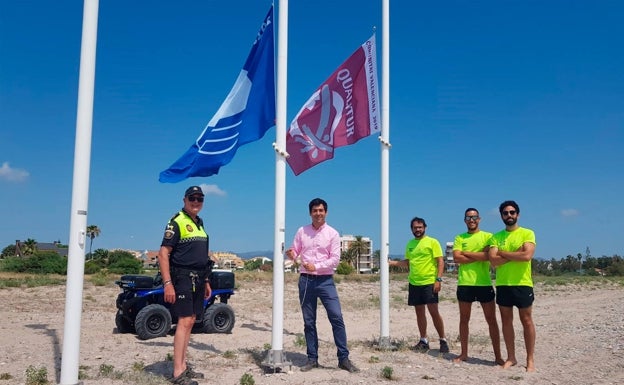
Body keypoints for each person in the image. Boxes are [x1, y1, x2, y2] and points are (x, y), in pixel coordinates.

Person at [285, 198, 359, 373]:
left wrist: (316, 266)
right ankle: (312, 359)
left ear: (326, 212)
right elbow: (295, 252)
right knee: (309, 322)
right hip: (306, 280)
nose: (318, 213)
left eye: (321, 210)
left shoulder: (332, 234)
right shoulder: (302, 231)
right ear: (310, 213)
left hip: (326, 281)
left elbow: (335, 259)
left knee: (336, 318)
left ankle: (343, 358)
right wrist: (291, 254)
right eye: (315, 210)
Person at [158, 186, 212, 385]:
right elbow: (164, 253)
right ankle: (178, 373)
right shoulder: (176, 222)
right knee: (183, 321)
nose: (196, 201)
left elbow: (202, 256)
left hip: (198, 278)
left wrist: (206, 280)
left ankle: (184, 366)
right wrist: (167, 284)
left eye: (200, 198)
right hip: (182, 278)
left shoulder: (199, 222)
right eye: (192, 198)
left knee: (191, 321)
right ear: (184, 199)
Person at [488, 200, 536, 372]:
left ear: (518, 214)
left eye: (512, 212)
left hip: (522, 284)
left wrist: (502, 253)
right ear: (501, 216)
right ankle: (511, 357)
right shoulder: (496, 237)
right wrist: (516, 252)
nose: (509, 215)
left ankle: (530, 360)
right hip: (503, 284)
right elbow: (493, 260)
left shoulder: (527, 233)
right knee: (506, 321)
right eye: (506, 213)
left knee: (527, 321)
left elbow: (527, 256)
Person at [389, 217, 449, 353]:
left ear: (425, 228)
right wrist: (392, 263)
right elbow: (408, 262)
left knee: (434, 312)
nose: (418, 230)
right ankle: (423, 340)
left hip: (429, 282)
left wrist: (438, 280)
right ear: (411, 229)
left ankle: (443, 340)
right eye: (415, 228)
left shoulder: (432, 242)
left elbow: (440, 261)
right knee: (419, 312)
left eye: (420, 227)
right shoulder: (410, 244)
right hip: (414, 283)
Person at [452, 208, 504, 365]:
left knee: (491, 320)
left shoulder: (488, 236)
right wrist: (479, 255)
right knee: (464, 319)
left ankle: (498, 356)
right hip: (465, 283)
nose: (471, 220)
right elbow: (456, 258)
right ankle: (464, 353)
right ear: (465, 220)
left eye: (474, 217)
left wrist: (467, 253)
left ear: (479, 219)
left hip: (484, 283)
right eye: (468, 217)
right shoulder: (459, 237)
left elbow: (489, 256)